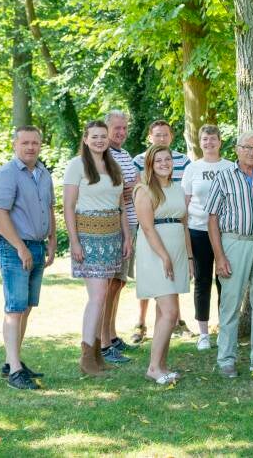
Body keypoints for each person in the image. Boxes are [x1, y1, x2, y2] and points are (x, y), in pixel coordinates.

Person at [205, 131, 253, 378]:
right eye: (247, 147)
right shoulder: (224, 177)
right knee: (230, 304)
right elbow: (212, 218)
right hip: (235, 244)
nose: (252, 152)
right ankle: (226, 358)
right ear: (237, 149)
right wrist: (219, 256)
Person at [0, 126, 56, 390]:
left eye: (35, 143)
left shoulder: (43, 173)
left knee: (26, 306)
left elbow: (49, 207)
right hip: (13, 248)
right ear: (15, 145)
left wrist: (52, 240)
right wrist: (20, 247)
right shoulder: (6, 174)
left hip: (37, 246)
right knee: (15, 308)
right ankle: (15, 372)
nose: (30, 147)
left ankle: (11, 362)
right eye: (25, 143)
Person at [63, 120, 131, 376]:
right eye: (95, 136)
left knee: (104, 297)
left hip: (112, 236)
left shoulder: (113, 166)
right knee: (98, 296)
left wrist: (127, 237)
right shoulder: (77, 165)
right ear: (86, 139)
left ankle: (97, 353)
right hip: (89, 237)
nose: (100, 140)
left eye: (103, 136)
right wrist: (74, 241)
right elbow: (68, 206)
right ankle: (86, 355)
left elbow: (121, 205)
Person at [134, 145, 192, 384]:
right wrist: (164, 256)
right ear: (150, 164)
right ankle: (153, 368)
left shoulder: (178, 188)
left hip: (177, 251)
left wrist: (189, 258)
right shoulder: (144, 190)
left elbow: (184, 225)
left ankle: (162, 365)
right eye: (158, 160)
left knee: (163, 313)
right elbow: (148, 228)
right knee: (170, 312)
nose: (164, 163)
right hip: (155, 253)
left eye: (167, 159)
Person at [181, 125, 234, 351]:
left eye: (213, 139)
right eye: (205, 139)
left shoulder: (230, 167)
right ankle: (203, 334)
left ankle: (225, 330)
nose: (209, 142)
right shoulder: (192, 168)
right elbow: (185, 204)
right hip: (198, 230)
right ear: (200, 142)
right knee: (202, 282)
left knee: (226, 281)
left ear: (220, 142)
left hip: (225, 231)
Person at [102, 110, 139, 365]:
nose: (122, 132)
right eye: (117, 128)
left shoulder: (124, 154)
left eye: (124, 128)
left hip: (131, 224)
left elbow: (136, 184)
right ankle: (103, 341)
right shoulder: (102, 154)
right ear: (106, 128)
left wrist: (130, 187)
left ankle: (112, 335)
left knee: (119, 283)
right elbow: (117, 190)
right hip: (113, 226)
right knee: (108, 285)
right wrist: (128, 187)